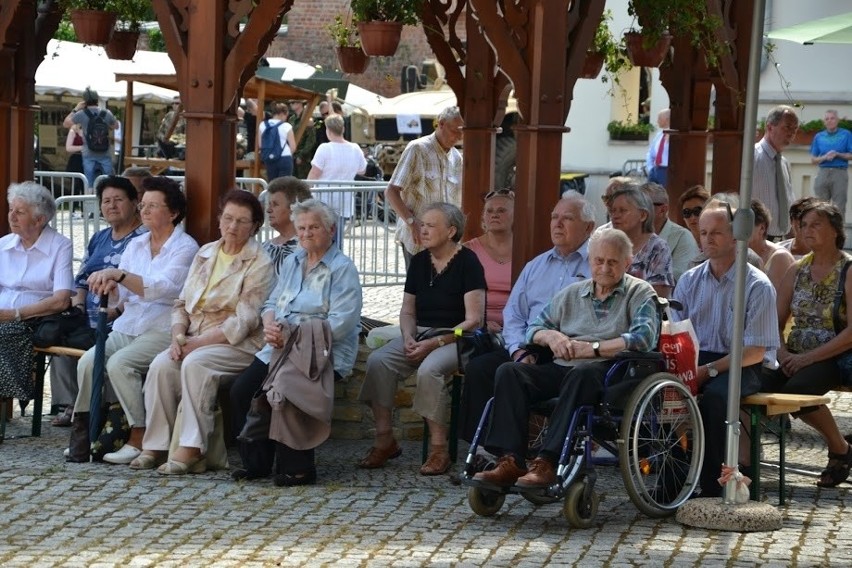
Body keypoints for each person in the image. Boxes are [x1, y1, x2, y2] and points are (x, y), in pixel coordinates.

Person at [472, 228, 660, 489]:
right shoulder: (572, 293)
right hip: (565, 365)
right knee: (510, 371)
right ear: (589, 260)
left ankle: (548, 461)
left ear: (627, 263)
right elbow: (534, 328)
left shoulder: (640, 293)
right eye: (598, 260)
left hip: (610, 373)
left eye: (613, 261)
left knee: (582, 374)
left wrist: (593, 349)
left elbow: (642, 339)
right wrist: (551, 337)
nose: (604, 267)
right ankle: (510, 459)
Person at [129, 190, 274, 474]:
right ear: (219, 219)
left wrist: (196, 344)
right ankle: (156, 445)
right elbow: (181, 303)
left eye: (242, 222)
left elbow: (244, 321)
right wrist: (178, 336)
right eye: (228, 218)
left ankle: (193, 447)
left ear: (255, 226)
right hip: (193, 336)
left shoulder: (260, 263)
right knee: (161, 365)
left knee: (196, 363)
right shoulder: (205, 252)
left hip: (238, 345)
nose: (233, 227)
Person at [229, 199, 362, 485]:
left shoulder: (342, 269)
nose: (306, 234)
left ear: (331, 229)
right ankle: (257, 463)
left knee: (287, 389)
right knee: (242, 389)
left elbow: (342, 322)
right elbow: (273, 301)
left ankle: (298, 468)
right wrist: (269, 324)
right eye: (301, 228)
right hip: (280, 346)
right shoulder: (293, 259)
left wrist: (292, 335)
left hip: (322, 349)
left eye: (313, 227)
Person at [67, 176, 199, 463]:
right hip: (130, 324)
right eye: (144, 205)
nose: (145, 211)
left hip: (162, 326)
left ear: (173, 212)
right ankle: (85, 432)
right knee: (89, 362)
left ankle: (140, 434)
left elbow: (166, 288)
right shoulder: (136, 245)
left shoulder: (186, 247)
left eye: (153, 206)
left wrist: (121, 276)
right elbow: (122, 300)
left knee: (120, 364)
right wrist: (109, 287)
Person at [358, 203, 485, 476]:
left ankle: (439, 450)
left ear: (451, 231)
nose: (422, 230)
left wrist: (435, 343)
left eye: (430, 225)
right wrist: (407, 337)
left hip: (456, 338)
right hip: (420, 334)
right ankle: (385, 440)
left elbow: (474, 320)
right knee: (379, 361)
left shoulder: (468, 262)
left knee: (430, 368)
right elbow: (407, 311)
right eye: (422, 224)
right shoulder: (418, 261)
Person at [459, 192, 595, 444]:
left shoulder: (597, 266)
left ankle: (510, 451)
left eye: (567, 218)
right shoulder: (537, 265)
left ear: (588, 227)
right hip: (531, 345)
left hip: (572, 349)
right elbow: (514, 314)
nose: (558, 224)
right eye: (554, 217)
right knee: (480, 368)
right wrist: (516, 350)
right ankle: (480, 450)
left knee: (512, 374)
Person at [672, 200, 778, 498]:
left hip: (744, 364)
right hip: (697, 357)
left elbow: (756, 351)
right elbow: (677, 332)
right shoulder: (689, 280)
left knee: (717, 398)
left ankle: (711, 486)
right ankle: (671, 476)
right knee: (659, 391)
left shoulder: (757, 285)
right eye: (703, 232)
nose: (707, 239)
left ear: (735, 237)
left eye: (716, 232)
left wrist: (708, 371)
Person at [763, 201, 852, 488]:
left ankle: (839, 449)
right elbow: (773, 322)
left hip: (835, 354)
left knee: (798, 391)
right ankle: (745, 461)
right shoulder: (796, 269)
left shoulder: (847, 270)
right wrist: (782, 352)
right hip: (793, 354)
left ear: (835, 230)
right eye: (803, 225)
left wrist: (808, 358)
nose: (807, 230)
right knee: (750, 383)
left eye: (816, 224)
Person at [50, 176, 147, 427]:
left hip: (119, 318)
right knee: (58, 333)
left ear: (135, 202)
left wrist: (117, 310)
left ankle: (103, 410)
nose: (111, 206)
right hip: (89, 314)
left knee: (103, 349)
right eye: (106, 201)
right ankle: (73, 403)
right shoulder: (99, 238)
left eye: (118, 200)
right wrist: (79, 306)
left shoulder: (143, 240)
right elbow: (81, 279)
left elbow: (144, 287)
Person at [0, 182, 74, 404]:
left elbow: (61, 300)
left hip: (34, 320)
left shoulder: (60, 246)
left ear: (40, 220)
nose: (11, 216)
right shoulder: (3, 244)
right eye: (11, 209)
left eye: (20, 212)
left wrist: (15, 314)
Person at [384, 106, 464, 265]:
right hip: (418, 241)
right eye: (455, 131)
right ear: (441, 124)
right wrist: (412, 223)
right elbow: (391, 191)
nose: (459, 137)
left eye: (462, 132)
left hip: (445, 243)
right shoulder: (417, 149)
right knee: (419, 289)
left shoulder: (456, 158)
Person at [307, 113, 367, 245]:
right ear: (343, 129)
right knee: (337, 236)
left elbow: (314, 173)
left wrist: (305, 191)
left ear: (328, 130)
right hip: (344, 199)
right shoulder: (355, 148)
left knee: (322, 237)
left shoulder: (324, 148)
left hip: (324, 199)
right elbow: (362, 170)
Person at [607, 186, 674, 297]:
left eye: (622, 211)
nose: (615, 216)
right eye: (613, 211)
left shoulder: (657, 248)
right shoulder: (608, 245)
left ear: (643, 215)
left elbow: (658, 296)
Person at [463, 189, 514, 332]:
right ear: (483, 217)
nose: (494, 215)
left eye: (502, 210)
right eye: (489, 211)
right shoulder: (468, 251)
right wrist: (482, 323)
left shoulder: (526, 251)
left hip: (519, 326)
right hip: (477, 325)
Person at [753, 105, 799, 240]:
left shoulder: (784, 162)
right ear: (769, 127)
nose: (791, 133)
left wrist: (792, 234)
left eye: (795, 129)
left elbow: (788, 199)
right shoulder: (752, 156)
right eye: (787, 127)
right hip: (757, 238)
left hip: (783, 238)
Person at [62, 88, 119, 189]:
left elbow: (66, 123)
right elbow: (116, 126)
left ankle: (89, 201)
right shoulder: (106, 113)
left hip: (88, 154)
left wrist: (76, 108)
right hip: (104, 153)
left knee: (89, 184)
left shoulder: (82, 114)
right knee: (110, 183)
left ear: (85, 101)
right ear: (97, 99)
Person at [641, 182, 698, 281]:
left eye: (643, 204)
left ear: (662, 210)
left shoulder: (682, 237)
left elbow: (679, 279)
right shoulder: (629, 234)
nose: (638, 209)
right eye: (634, 205)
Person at [263, 176, 313, 275]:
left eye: (275, 204)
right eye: (269, 204)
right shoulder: (264, 247)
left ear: (294, 208)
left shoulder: (309, 249)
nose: (268, 210)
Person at [810, 109, 852, 217]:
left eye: (832, 118)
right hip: (823, 173)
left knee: (839, 206)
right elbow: (813, 159)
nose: (829, 121)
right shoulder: (819, 136)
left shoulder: (846, 134)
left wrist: (838, 154)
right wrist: (825, 157)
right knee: (821, 206)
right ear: (824, 122)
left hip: (839, 173)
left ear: (837, 120)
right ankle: (823, 232)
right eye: (827, 119)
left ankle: (838, 233)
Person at [748, 199, 795, 290]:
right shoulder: (735, 252)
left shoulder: (780, 257)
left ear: (762, 228)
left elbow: (775, 300)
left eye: (745, 226)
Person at [259, 103, 297, 180]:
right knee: (284, 185)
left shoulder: (262, 125)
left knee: (273, 185)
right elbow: (293, 146)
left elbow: (260, 144)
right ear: (284, 113)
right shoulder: (286, 126)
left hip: (269, 158)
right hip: (285, 157)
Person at [289, 100, 316, 179]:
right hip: (292, 155)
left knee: (303, 183)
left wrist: (301, 155)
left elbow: (311, 140)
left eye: (293, 102)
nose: (291, 104)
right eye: (290, 103)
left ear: (300, 103)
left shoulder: (308, 117)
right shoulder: (292, 119)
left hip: (304, 158)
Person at [646, 108, 670, 187]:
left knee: (664, 196)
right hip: (655, 169)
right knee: (649, 195)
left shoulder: (674, 136)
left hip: (666, 171)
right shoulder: (659, 135)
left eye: (659, 118)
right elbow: (650, 152)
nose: (657, 121)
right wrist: (650, 168)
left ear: (667, 120)